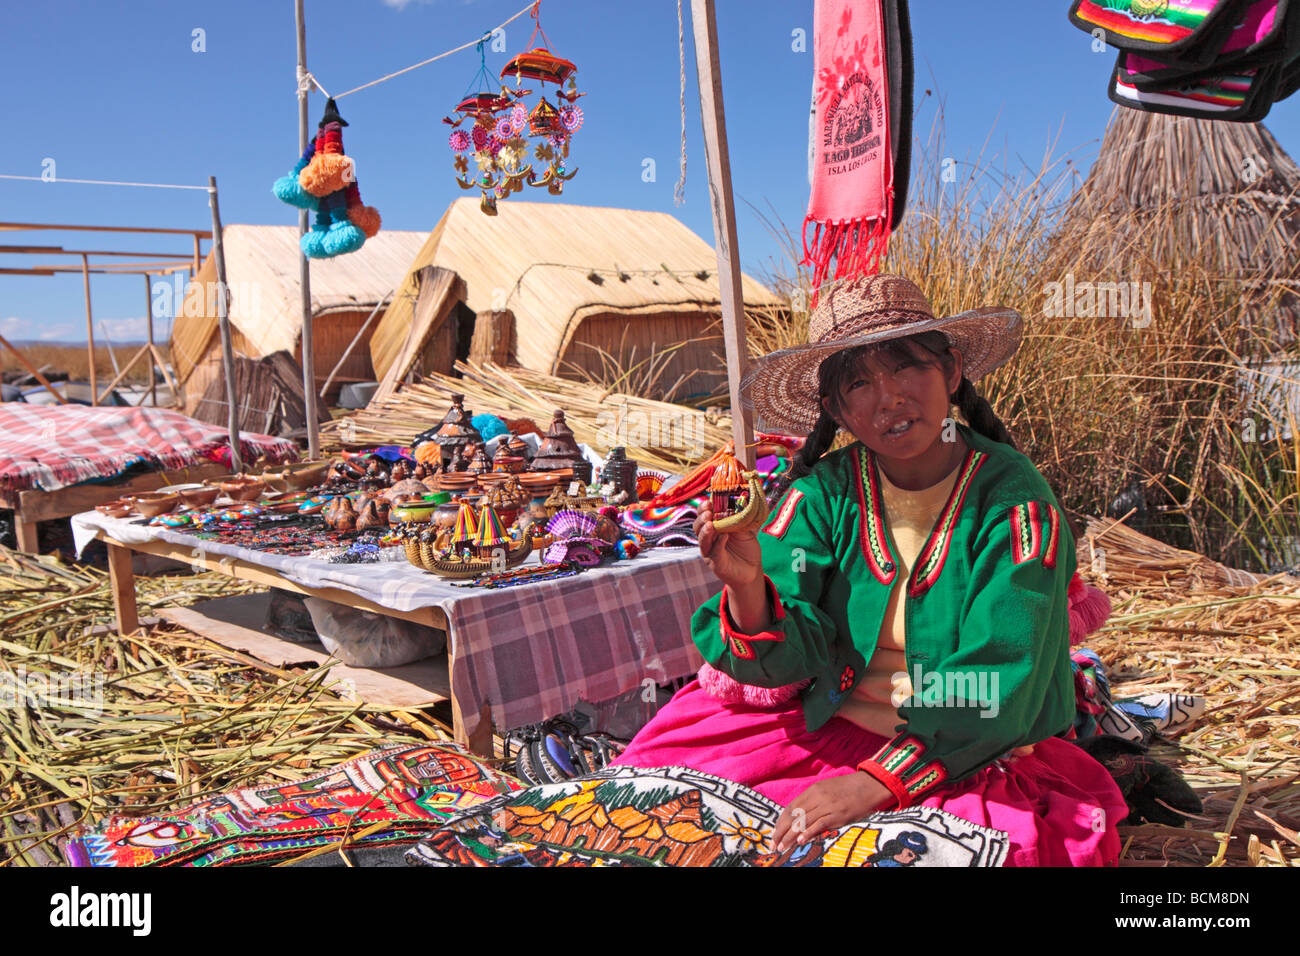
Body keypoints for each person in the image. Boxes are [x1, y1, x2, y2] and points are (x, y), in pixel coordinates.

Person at [610, 273, 1129, 867]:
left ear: (952, 373)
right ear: (835, 408)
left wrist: (875, 783)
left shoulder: (1014, 503)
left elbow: (1003, 672)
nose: (889, 398)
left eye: (907, 367)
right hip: (825, 726)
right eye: (859, 382)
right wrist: (749, 585)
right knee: (642, 820)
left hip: (963, 751)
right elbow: (788, 657)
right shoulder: (824, 494)